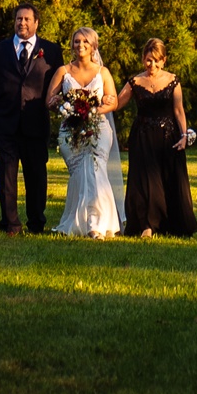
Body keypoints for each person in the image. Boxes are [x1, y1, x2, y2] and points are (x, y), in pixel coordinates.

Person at [0, 4, 60, 235]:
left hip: (35, 124)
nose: (22, 23)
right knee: (6, 174)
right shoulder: (0, 50)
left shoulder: (52, 51)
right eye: (18, 19)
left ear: (36, 23)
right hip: (4, 123)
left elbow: (60, 86)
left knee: (36, 175)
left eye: (27, 19)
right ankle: (11, 224)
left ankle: (36, 223)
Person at [113, 37, 197, 238]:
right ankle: (147, 225)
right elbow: (116, 103)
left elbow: (178, 110)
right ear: (143, 59)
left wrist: (185, 136)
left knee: (168, 179)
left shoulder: (173, 80)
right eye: (149, 60)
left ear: (164, 60)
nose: (153, 65)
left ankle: (171, 224)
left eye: (157, 60)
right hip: (142, 137)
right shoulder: (134, 82)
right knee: (144, 181)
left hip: (169, 137)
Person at [45, 28, 124, 238]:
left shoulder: (103, 72)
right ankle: (77, 222)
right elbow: (49, 101)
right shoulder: (63, 71)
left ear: (93, 46)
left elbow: (113, 101)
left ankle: (96, 225)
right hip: (70, 131)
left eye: (86, 42)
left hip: (98, 128)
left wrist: (94, 110)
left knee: (96, 170)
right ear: (72, 44)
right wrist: (58, 104)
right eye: (77, 41)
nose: (81, 45)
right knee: (80, 173)